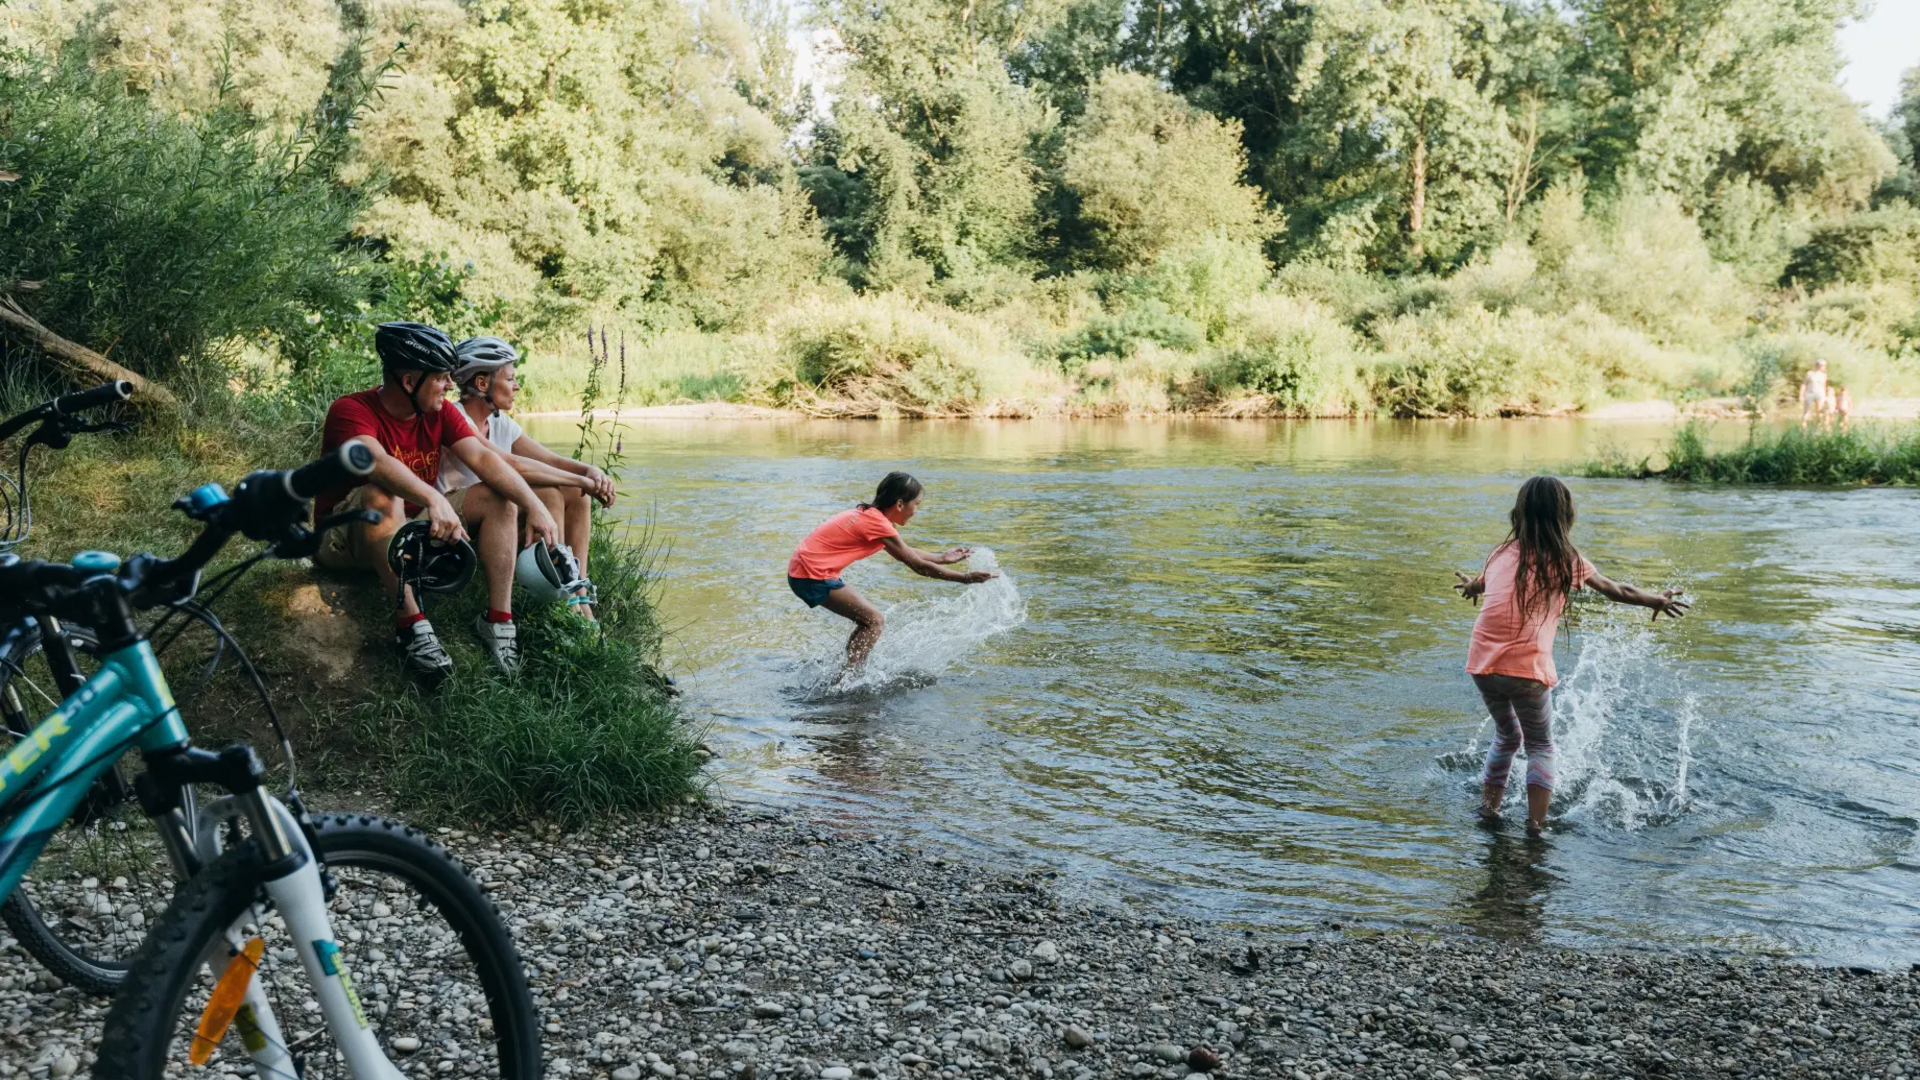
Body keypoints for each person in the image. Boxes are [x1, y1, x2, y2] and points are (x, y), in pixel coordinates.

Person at [313, 322, 560, 677]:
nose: (450, 385)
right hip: (342, 540)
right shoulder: (351, 410)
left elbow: (484, 458)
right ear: (410, 381)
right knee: (381, 491)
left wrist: (534, 505)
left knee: (499, 496)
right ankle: (411, 627)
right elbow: (377, 462)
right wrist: (434, 497)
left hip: (408, 532)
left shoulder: (439, 412)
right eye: (442, 377)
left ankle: (499, 622)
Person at [1452, 476, 1690, 837]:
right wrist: (1656, 599)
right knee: (1540, 745)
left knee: (1506, 736)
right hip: (1526, 668)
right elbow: (1616, 590)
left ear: (1519, 513)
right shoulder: (1567, 559)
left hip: (1483, 662)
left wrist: (1471, 585)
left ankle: (1489, 812)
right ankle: (1535, 827)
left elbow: (1483, 582)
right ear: (1565, 516)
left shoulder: (1501, 553)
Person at [442, 336, 617, 620]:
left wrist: (589, 472)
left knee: (575, 494)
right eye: (510, 379)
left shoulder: (500, 422)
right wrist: (581, 479)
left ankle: (577, 592)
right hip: (465, 518)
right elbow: (511, 464)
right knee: (550, 493)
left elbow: (550, 460)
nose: (517, 386)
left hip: (499, 511)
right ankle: (556, 595)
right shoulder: (456, 417)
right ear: (483, 384)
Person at [787, 472, 995, 671]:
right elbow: (917, 566)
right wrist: (965, 578)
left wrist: (941, 557)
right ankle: (849, 679)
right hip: (811, 575)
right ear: (900, 504)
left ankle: (847, 672)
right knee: (874, 620)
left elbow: (904, 552)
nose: (916, 511)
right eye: (917, 505)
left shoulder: (870, 516)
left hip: (804, 571)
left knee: (867, 621)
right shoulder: (877, 524)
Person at [1800, 360, 1829, 426]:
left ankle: (1818, 428)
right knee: (1806, 411)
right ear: (1818, 365)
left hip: (1820, 394)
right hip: (1810, 393)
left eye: (1824, 365)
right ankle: (1803, 428)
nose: (1824, 367)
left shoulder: (1824, 375)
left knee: (1819, 411)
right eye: (1823, 365)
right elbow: (1804, 384)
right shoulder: (1809, 374)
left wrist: (1825, 397)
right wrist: (1801, 395)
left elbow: (1824, 386)